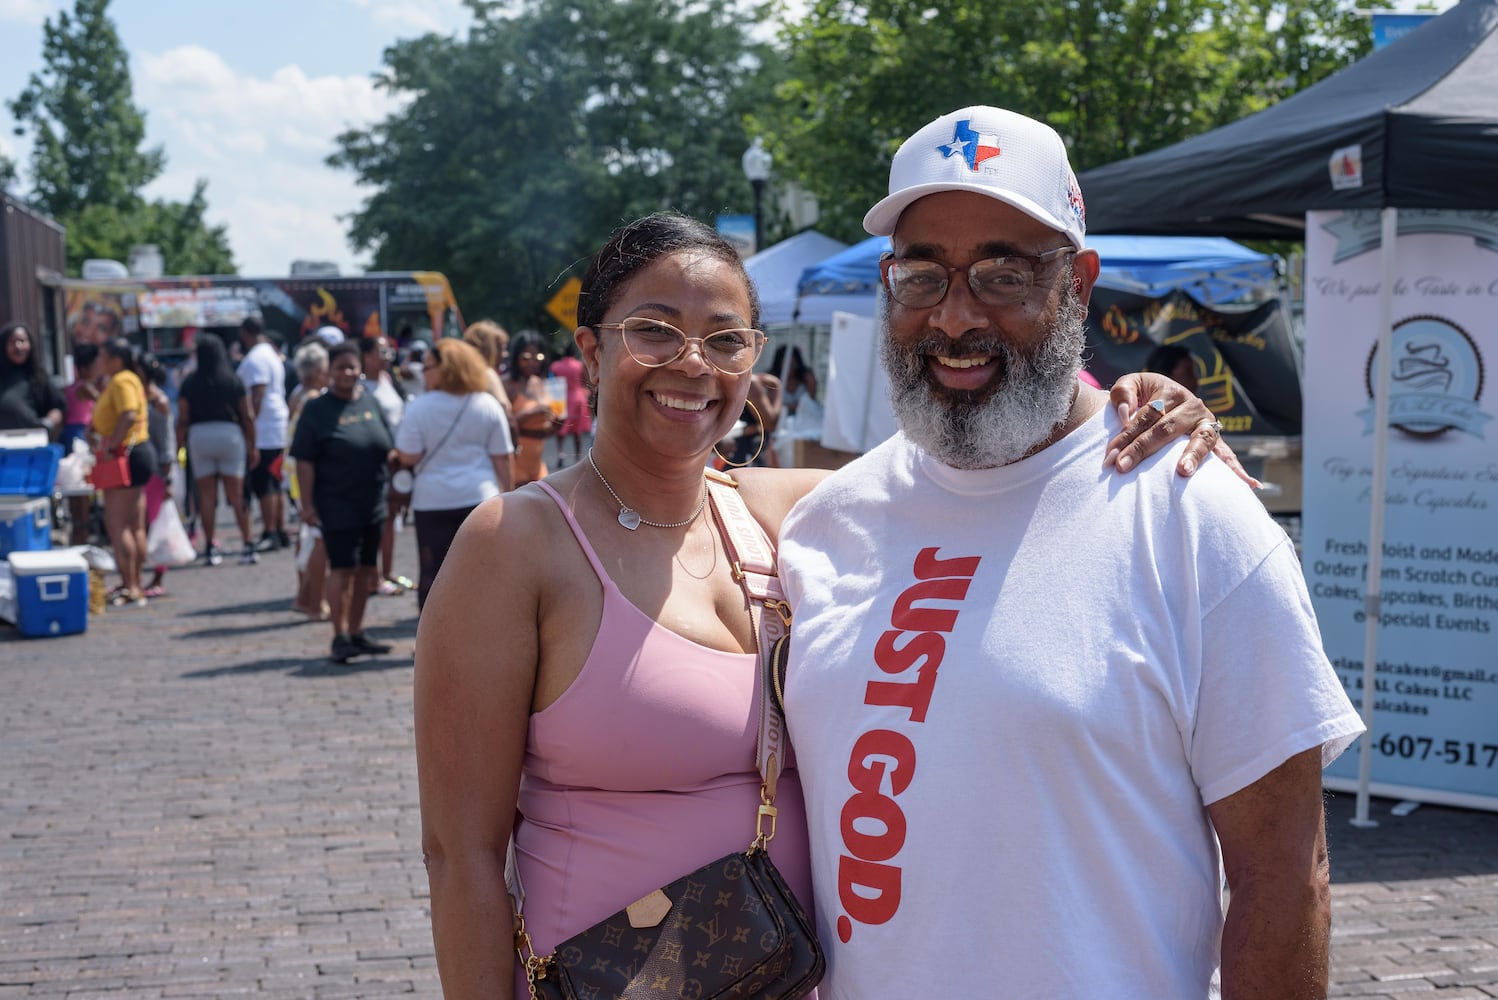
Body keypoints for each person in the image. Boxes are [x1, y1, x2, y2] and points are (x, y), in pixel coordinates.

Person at [412, 211, 1229, 999]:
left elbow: (982, 456)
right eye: (654, 330)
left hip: (792, 974)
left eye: (726, 339)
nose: (693, 363)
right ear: (591, 349)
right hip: (609, 982)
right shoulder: (513, 545)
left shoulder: (789, 515)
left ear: (754, 360)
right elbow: (460, 855)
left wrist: (1126, 403)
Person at [776, 106, 1364, 998]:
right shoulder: (825, 523)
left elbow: (1285, 880)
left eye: (1003, 275)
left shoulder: (1194, 521)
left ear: (1080, 283)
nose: (956, 317)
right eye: (923, 275)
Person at [289, 340, 397, 663]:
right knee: (342, 569)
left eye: (352, 367)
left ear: (360, 368)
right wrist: (306, 505)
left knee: (366, 570)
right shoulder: (316, 410)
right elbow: (303, 460)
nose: (347, 373)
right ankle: (339, 636)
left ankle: (357, 630)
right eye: (340, 368)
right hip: (337, 503)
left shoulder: (369, 401)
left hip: (372, 503)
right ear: (329, 372)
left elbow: (385, 444)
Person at [394, 338, 513, 611]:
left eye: (427, 367)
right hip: (481, 499)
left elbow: (409, 456)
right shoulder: (487, 404)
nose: (423, 373)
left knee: (432, 572)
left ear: (444, 368)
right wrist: (508, 500)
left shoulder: (419, 407)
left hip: (433, 501)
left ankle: (431, 642)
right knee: (484, 573)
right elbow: (502, 458)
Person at [177, 335, 259, 566]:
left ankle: (210, 547)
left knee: (206, 496)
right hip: (229, 434)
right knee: (237, 493)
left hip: (199, 435)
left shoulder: (189, 382)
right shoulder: (232, 380)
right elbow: (247, 415)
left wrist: (179, 446)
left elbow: (182, 418)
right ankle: (247, 543)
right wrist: (252, 445)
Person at [89, 338, 158, 608]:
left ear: (115, 358)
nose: (98, 361)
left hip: (126, 456)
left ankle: (132, 585)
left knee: (119, 527)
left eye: (102, 356)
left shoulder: (121, 380)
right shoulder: (126, 379)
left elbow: (128, 414)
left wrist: (111, 446)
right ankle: (135, 583)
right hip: (136, 452)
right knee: (134, 525)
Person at [360, 333, 412, 596]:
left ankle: (387, 570)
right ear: (366, 356)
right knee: (375, 518)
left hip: (395, 459)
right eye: (381, 352)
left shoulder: (387, 379)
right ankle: (373, 575)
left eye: (389, 352)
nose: (387, 357)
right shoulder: (360, 388)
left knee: (391, 515)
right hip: (372, 462)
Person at [236, 317, 291, 551]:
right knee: (275, 481)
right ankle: (279, 529)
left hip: (265, 427)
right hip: (276, 424)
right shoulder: (270, 353)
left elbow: (257, 394)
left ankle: (270, 531)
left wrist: (251, 428)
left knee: (265, 483)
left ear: (245, 333)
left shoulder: (256, 358)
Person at [287, 341, 331, 620]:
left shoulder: (298, 394)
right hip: (308, 474)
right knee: (318, 539)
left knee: (307, 537)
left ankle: (305, 594)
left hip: (294, 473)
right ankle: (313, 598)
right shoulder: (315, 400)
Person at [501, 331, 560, 486]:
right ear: (516, 357)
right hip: (515, 465)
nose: (532, 362)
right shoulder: (507, 385)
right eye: (526, 358)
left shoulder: (538, 383)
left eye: (538, 357)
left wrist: (556, 425)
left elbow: (544, 431)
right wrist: (531, 413)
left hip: (537, 464)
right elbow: (500, 425)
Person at [139, 353, 176, 598]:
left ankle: (159, 574)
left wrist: (168, 476)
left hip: (157, 470)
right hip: (142, 468)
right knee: (143, 523)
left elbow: (166, 441)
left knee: (155, 523)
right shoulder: (138, 396)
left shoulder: (159, 400)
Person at [62, 342, 105, 544]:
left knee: (73, 489)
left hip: (70, 435)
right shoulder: (85, 387)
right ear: (87, 367)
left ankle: (78, 531)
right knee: (82, 489)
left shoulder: (70, 387)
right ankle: (83, 532)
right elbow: (104, 405)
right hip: (80, 436)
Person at [0, 321, 64, 435]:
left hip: (32, 444)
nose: (18, 346)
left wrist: (48, 423)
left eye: (22, 341)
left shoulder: (39, 376)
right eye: (12, 342)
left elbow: (57, 408)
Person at [547, 341, 591, 467]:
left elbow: (552, 382)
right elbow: (586, 382)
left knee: (559, 428)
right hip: (578, 399)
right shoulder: (579, 365)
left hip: (561, 399)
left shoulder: (555, 366)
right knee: (577, 430)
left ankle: (561, 453)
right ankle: (577, 457)